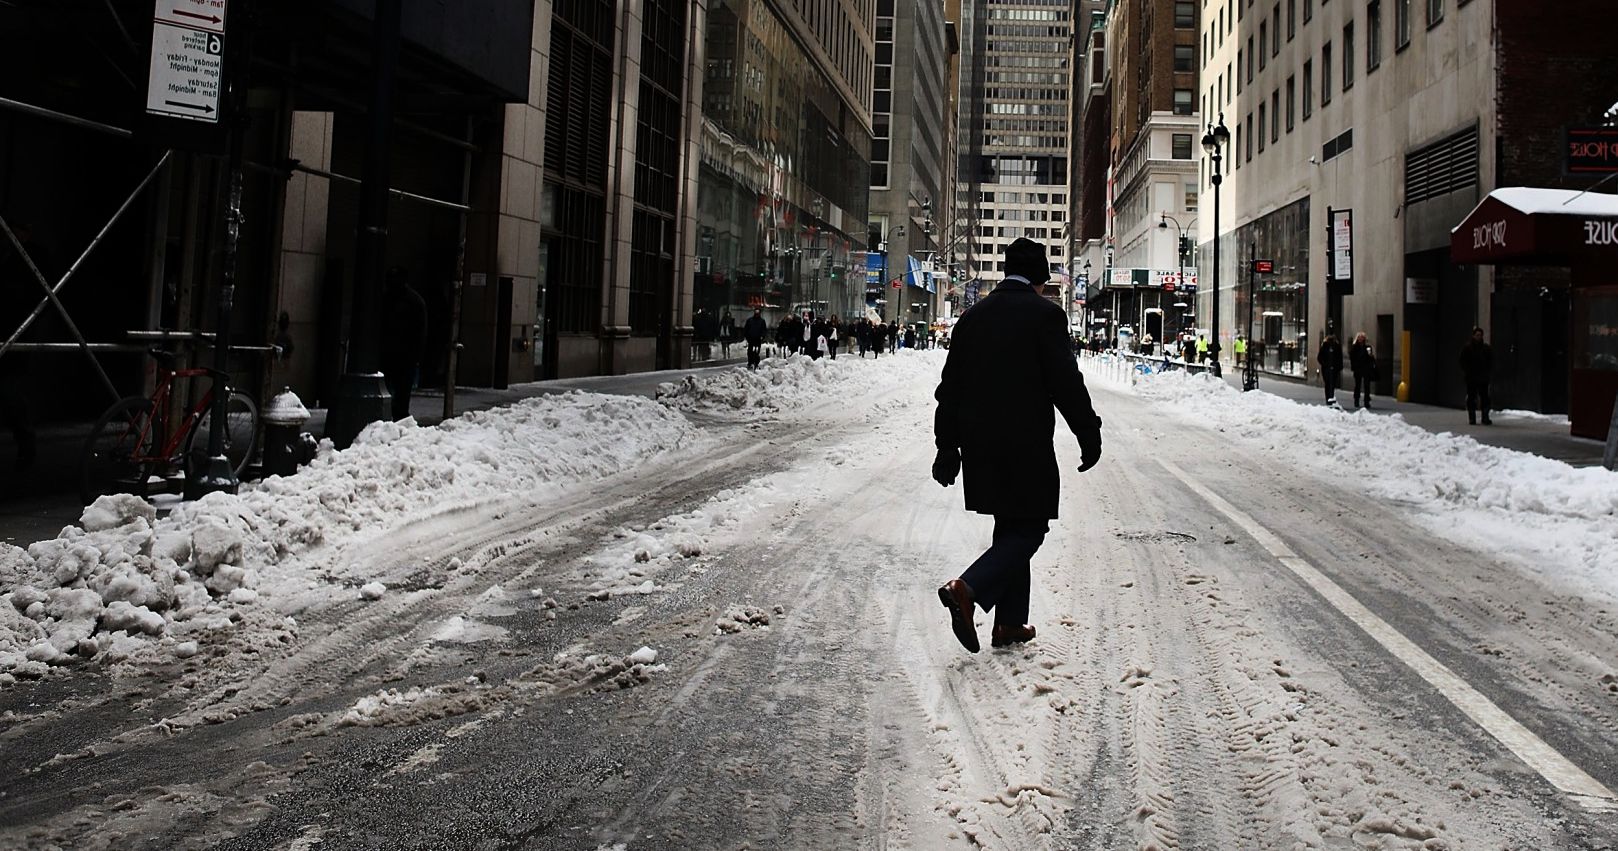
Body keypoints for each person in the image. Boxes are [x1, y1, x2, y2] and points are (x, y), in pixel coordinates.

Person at [933, 238, 1104, 654]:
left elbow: (950, 387)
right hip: (1026, 444)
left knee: (1011, 524)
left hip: (979, 446)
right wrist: (1088, 431)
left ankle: (1009, 623)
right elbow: (1065, 381)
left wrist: (946, 446)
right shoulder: (1046, 315)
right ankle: (967, 588)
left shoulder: (972, 318)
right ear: (1040, 280)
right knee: (1030, 527)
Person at [381, 266, 429, 421]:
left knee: (398, 388)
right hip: (401, 353)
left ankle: (396, 414)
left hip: (400, 353)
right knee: (400, 389)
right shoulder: (411, 300)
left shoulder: (399, 300)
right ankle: (397, 414)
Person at [1460, 326, 1493, 425]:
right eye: (1477, 335)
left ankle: (1485, 417)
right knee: (1471, 397)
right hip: (1472, 377)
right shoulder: (1467, 348)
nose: (1479, 337)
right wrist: (1468, 371)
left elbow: (1491, 361)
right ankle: (1472, 418)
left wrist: (1488, 372)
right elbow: (1462, 361)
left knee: (1484, 398)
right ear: (1473, 336)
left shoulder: (1486, 348)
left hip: (1483, 378)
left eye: (1480, 335)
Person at [1349, 332, 1376, 409]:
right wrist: (1354, 367)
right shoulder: (1354, 347)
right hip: (1358, 369)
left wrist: (1370, 356)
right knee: (1358, 385)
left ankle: (1366, 401)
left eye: (1362, 337)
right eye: (1360, 337)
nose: (1361, 339)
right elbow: (1352, 357)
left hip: (1366, 368)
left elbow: (1371, 358)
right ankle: (1356, 400)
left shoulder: (1367, 347)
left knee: (1367, 385)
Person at [1317, 334, 1344, 407]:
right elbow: (1320, 357)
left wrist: (1338, 367)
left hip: (1333, 368)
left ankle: (1330, 398)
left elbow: (1339, 357)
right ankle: (1329, 398)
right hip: (1327, 368)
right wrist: (1325, 364)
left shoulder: (1337, 346)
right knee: (1328, 383)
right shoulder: (1325, 346)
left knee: (1331, 384)